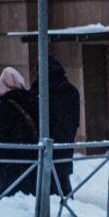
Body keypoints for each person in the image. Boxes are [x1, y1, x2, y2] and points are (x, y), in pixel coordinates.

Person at [31, 55, 79, 196]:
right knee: (62, 184)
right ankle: (68, 208)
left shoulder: (39, 91)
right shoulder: (71, 91)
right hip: (64, 145)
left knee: (47, 187)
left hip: (45, 145)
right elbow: (74, 122)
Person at [0, 67, 38, 196]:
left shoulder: (3, 107)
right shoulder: (32, 100)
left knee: (11, 196)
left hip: (8, 158)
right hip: (30, 155)